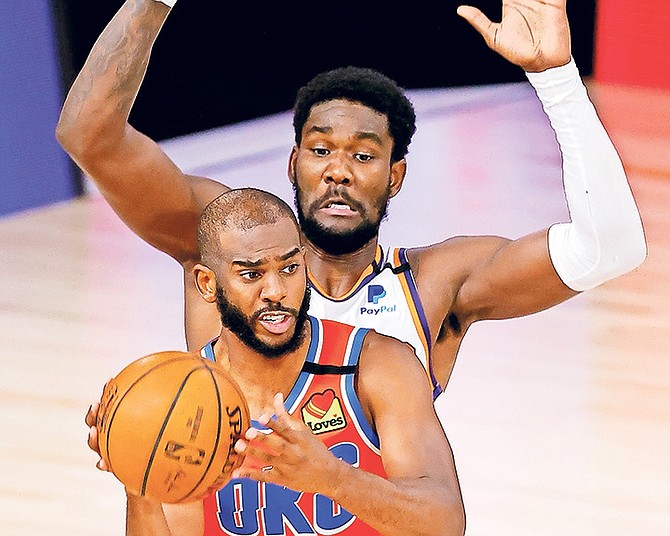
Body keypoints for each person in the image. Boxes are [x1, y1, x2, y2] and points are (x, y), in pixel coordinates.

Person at [57, 1, 646, 396]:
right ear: (294, 163)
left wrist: (557, 77)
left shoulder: (438, 283)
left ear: (395, 176)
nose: (338, 170)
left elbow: (610, 248)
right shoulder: (222, 234)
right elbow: (90, 135)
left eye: (364, 156)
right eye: (320, 150)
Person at [88, 187, 466, 535]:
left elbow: (445, 522)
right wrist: (140, 482)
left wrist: (333, 478)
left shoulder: (377, 365)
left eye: (289, 268)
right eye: (252, 274)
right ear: (207, 284)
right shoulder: (187, 402)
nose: (276, 291)